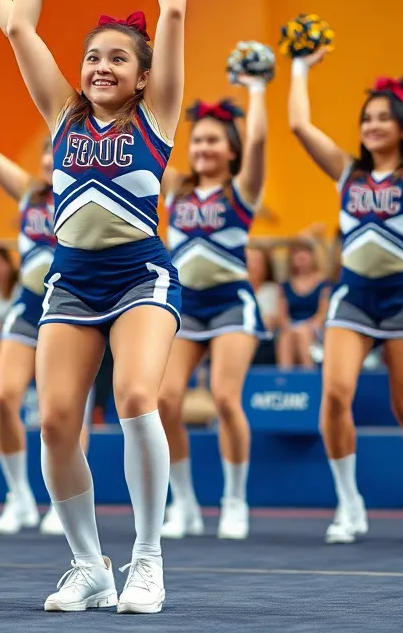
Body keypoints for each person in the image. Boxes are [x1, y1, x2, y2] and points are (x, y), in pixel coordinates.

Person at [0, 0, 187, 613]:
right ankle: (87, 565)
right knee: (57, 420)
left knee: (135, 398)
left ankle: (147, 562)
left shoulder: (157, 118)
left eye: (118, 59)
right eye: (93, 56)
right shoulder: (61, 118)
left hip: (139, 277)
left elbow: (175, 12)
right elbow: (18, 29)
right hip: (70, 281)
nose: (102, 66)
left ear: (144, 76)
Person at [288, 36, 403, 545]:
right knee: (335, 395)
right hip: (353, 297)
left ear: (402, 127)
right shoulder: (348, 174)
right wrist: (300, 67)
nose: (371, 125)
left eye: (384, 117)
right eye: (367, 117)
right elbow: (300, 126)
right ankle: (349, 504)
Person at [0, 85, 97, 536]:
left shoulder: (87, 193)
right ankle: (18, 496)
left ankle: (61, 498)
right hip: (28, 306)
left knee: (65, 410)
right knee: (6, 398)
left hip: (73, 309)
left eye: (58, 155)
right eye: (46, 155)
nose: (50, 162)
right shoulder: (29, 193)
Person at [157, 86, 267, 542]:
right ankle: (183, 502)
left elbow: (259, 142)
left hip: (229, 304)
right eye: (197, 140)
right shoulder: (174, 186)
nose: (203, 148)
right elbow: (149, 134)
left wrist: (257, 89)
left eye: (213, 141)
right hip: (185, 305)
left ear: (232, 150)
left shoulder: (242, 191)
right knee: (164, 402)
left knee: (224, 397)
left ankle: (235, 501)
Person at [276, 239, 329, 370]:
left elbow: (323, 314)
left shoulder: (324, 284)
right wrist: (289, 327)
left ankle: (309, 374)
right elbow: (282, 316)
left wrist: (310, 326)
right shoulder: (285, 285)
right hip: (292, 328)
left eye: (305, 252)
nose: (301, 257)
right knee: (285, 337)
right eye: (296, 253)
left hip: (316, 329)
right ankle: (284, 379)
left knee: (303, 333)